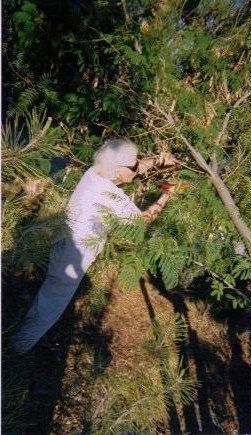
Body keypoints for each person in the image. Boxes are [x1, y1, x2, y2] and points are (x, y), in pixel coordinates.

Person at [14, 138, 176, 354]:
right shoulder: (112, 198)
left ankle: (21, 335)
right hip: (74, 255)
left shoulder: (94, 173)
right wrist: (167, 195)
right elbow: (143, 221)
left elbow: (132, 167)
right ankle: (16, 350)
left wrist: (158, 161)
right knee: (50, 305)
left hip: (63, 242)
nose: (138, 169)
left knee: (48, 295)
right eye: (134, 166)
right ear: (118, 170)